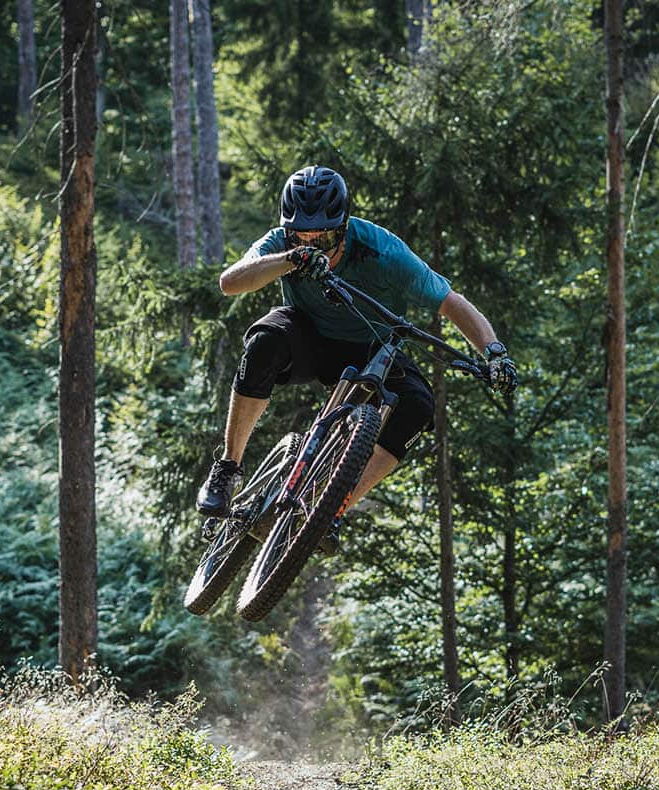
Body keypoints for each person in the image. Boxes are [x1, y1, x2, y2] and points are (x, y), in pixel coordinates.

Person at [196, 164, 517, 552]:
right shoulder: (282, 243)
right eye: (303, 235)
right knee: (264, 340)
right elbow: (231, 283)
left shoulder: (383, 251)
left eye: (325, 236)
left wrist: (493, 351)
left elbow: (452, 303)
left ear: (344, 225)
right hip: (308, 335)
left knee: (418, 406)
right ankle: (228, 468)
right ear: (289, 228)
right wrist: (291, 258)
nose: (315, 243)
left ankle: (330, 508)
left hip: (374, 344)